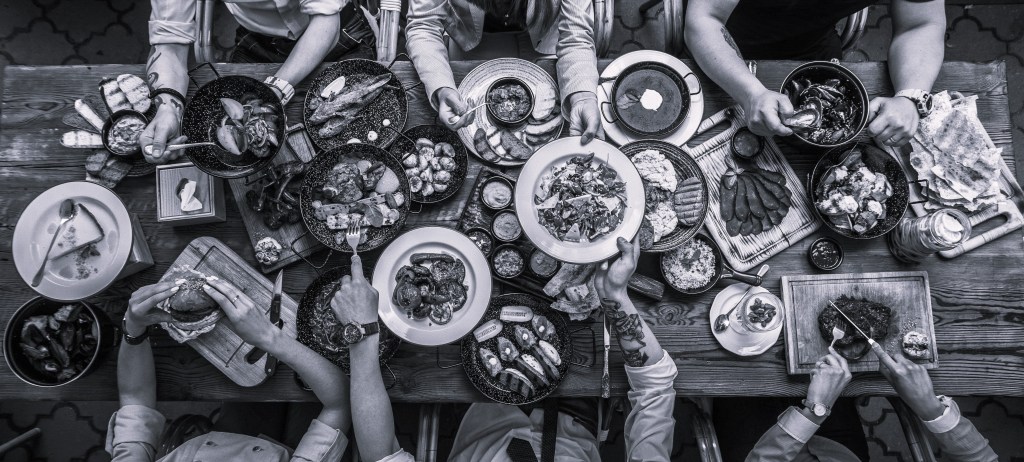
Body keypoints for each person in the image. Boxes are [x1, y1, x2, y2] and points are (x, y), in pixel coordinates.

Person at [332, 237, 677, 461]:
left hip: (483, 413)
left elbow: (381, 454)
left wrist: (362, 333)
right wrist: (615, 295)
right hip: (577, 419)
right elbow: (655, 389)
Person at [105, 278, 352, 461]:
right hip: (300, 447)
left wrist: (133, 328)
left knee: (255, 397)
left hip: (224, 438)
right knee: (305, 399)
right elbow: (339, 403)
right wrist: (269, 337)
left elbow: (134, 397)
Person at [684, 0, 946, 147]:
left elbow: (920, 24)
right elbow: (704, 20)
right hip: (723, 45)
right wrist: (750, 93)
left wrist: (911, 96)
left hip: (812, 44)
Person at [140, 0, 375, 163]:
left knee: (355, 143)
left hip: (335, 34)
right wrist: (168, 108)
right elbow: (168, 45)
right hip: (260, 41)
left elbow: (326, 22)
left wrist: (276, 89)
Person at [731, 346, 998, 461]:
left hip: (757, 453)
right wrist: (930, 408)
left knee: (739, 380)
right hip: (840, 453)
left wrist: (815, 412)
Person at [405, 0, 604, 144]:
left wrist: (583, 97)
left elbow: (575, 36)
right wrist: (442, 87)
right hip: (472, 42)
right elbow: (424, 25)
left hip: (544, 42)